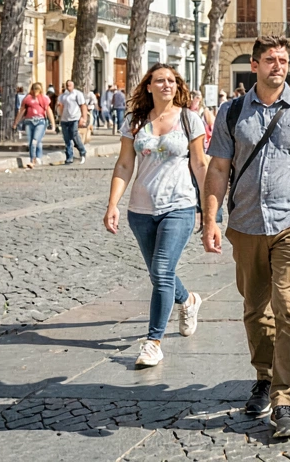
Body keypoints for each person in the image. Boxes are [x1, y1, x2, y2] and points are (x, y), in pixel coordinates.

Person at [202, 35, 290, 439]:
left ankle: (284, 400)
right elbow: (218, 168)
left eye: (283, 60)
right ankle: (264, 375)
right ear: (254, 65)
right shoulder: (233, 113)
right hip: (245, 223)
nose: (278, 66)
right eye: (270, 60)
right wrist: (210, 218)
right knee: (255, 309)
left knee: (289, 308)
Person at [103, 64, 208, 369]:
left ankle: (153, 343)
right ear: (148, 86)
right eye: (159, 80)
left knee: (161, 270)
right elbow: (124, 165)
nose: (166, 85)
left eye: (171, 81)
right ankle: (188, 300)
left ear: (178, 86)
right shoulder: (134, 122)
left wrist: (210, 210)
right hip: (140, 210)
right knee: (158, 273)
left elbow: (201, 165)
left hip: (180, 206)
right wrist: (113, 203)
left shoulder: (189, 119)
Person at [13, 82, 55, 168]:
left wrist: (53, 124)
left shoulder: (44, 99)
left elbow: (48, 111)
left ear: (40, 90)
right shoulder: (27, 98)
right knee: (33, 141)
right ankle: (37, 157)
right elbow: (21, 111)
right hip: (29, 121)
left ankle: (33, 160)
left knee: (34, 141)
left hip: (40, 121)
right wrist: (16, 122)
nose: (35, 91)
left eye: (37, 89)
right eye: (34, 89)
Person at [56, 80, 90, 164]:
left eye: (70, 85)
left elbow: (83, 106)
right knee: (67, 138)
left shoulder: (77, 94)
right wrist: (59, 116)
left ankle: (82, 151)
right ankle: (69, 157)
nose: (68, 87)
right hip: (64, 119)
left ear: (73, 85)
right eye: (67, 85)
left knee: (74, 134)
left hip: (74, 118)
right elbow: (60, 107)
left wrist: (83, 118)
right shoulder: (62, 96)